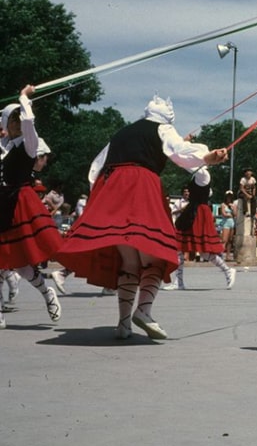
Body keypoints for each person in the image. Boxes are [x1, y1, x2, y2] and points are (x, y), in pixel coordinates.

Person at [56, 95, 228, 339]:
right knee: (155, 255)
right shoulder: (163, 129)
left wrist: (101, 198)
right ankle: (144, 311)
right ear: (168, 116)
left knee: (129, 261)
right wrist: (209, 157)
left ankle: (123, 324)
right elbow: (180, 152)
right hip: (141, 188)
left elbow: (96, 168)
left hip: (113, 189)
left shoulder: (121, 133)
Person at [0, 85, 62, 329]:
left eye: (18, 117)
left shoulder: (29, 143)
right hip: (2, 205)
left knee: (22, 264)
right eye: (12, 118)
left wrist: (24, 98)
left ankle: (47, 293)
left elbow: (29, 121)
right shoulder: (4, 149)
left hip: (18, 205)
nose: (17, 122)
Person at [166, 168, 236, 290]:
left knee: (204, 251)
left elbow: (193, 168)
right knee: (180, 246)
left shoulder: (203, 174)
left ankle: (228, 270)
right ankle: (179, 282)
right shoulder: (197, 175)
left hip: (198, 213)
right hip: (192, 210)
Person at [218, 191, 236, 260]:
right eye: (228, 196)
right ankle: (221, 254)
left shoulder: (233, 205)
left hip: (232, 222)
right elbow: (223, 214)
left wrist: (232, 208)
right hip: (226, 223)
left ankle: (228, 255)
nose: (229, 198)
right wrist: (229, 215)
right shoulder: (223, 205)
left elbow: (235, 214)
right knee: (224, 240)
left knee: (230, 240)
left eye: (230, 197)